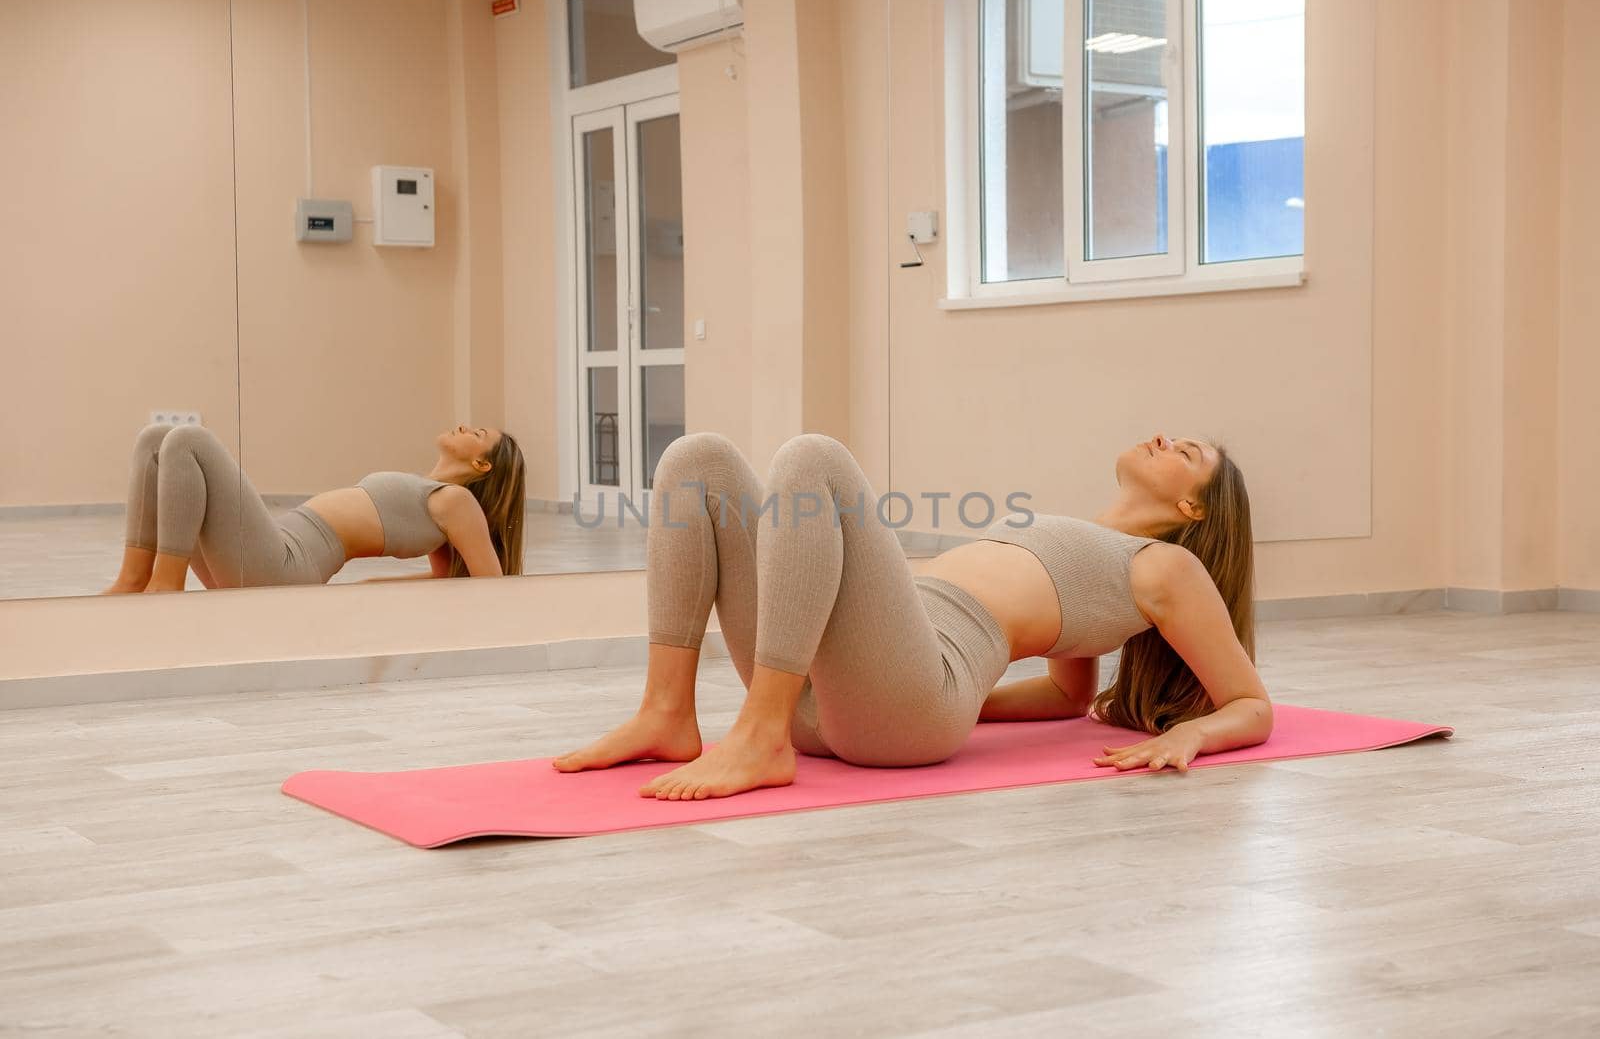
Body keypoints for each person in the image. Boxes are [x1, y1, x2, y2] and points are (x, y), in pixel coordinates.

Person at [554, 429, 1271, 799]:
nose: (1164, 437)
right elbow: (1068, 694)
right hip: (841, 692)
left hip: (910, 693)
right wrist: (977, 708)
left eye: (1186, 452)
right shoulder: (1095, 545)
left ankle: (760, 733)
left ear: (1192, 509)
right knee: (698, 459)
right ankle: (667, 711)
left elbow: (1250, 703)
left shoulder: (1169, 566)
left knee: (814, 459)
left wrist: (1195, 736)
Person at [102, 422, 524, 593]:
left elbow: (488, 583)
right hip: (275, 544)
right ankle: (134, 577)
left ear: (481, 464)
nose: (465, 425)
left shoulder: (458, 501)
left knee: (189, 440)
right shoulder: (431, 492)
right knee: (157, 438)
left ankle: (164, 588)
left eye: (477, 431)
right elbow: (444, 575)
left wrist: (379, 590)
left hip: (286, 563)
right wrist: (382, 587)